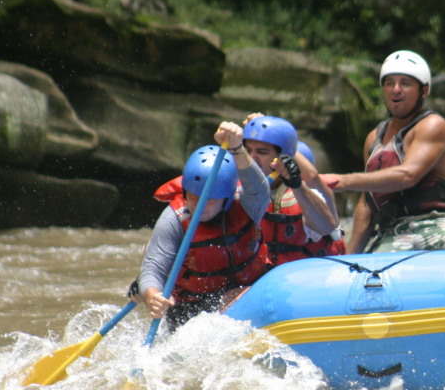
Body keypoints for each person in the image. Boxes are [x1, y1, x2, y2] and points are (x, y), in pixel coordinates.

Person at [324, 50, 445, 254]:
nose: (396, 90)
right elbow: (367, 205)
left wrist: (342, 181)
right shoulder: (373, 138)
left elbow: (407, 176)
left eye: (405, 83)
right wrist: (349, 259)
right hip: (393, 232)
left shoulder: (433, 125)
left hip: (437, 225)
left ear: (424, 91)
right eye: (389, 83)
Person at [133, 122, 271, 330]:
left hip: (249, 292)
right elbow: (153, 269)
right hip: (194, 309)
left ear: (225, 199)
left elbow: (259, 187)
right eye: (194, 198)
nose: (198, 206)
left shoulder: (247, 204)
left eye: (209, 200)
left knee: (236, 297)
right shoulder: (174, 218)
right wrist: (152, 296)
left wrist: (237, 148)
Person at [242, 114, 344, 264]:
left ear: (283, 157)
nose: (252, 158)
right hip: (255, 279)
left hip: (297, 279)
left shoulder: (303, 192)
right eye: (248, 151)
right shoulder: (233, 186)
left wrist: (296, 184)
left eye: (262, 152)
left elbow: (327, 227)